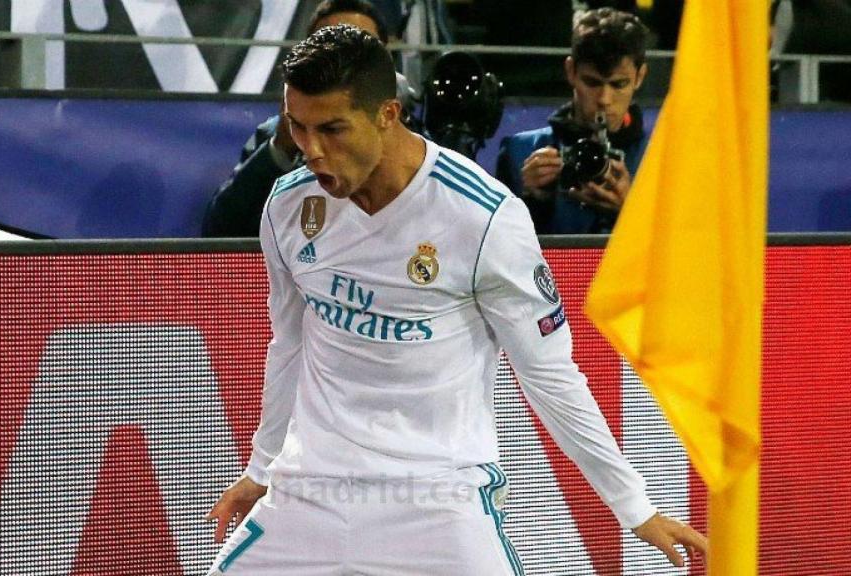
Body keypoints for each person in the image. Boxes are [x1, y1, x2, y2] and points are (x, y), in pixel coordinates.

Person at [204, 24, 706, 575]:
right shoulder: (289, 207)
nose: (314, 151)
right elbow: (290, 343)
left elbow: (550, 376)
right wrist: (261, 467)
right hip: (309, 491)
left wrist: (633, 505)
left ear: (387, 115)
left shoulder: (483, 217)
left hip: (439, 500)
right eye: (298, 128)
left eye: (333, 129)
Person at [202, 0, 401, 238]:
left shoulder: (415, 136)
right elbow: (221, 232)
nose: (343, 62)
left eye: (360, 48)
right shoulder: (275, 136)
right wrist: (280, 150)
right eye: (328, 47)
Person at [495, 8, 650, 234]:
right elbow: (497, 254)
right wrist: (531, 203)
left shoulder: (662, 161)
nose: (604, 99)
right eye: (592, 82)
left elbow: (685, 256)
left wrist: (633, 213)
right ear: (571, 71)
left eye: (618, 84)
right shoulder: (518, 153)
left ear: (640, 77)